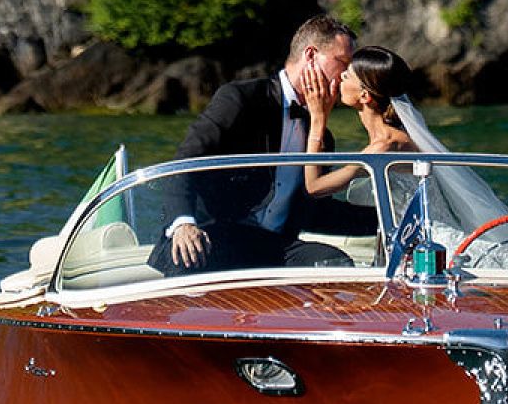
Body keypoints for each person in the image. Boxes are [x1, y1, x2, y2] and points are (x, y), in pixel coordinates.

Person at [151, 14, 354, 275]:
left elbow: (317, 212)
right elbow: (184, 163)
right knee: (190, 257)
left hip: (273, 247)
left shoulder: (322, 136)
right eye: (342, 62)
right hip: (216, 237)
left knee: (335, 264)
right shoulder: (241, 99)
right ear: (311, 56)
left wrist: (387, 219)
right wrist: (183, 223)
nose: (347, 74)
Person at [304, 46, 419, 197]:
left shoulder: (384, 146)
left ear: (364, 96)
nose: (340, 77)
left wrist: (318, 118)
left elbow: (314, 187)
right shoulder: (392, 136)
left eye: (347, 76)